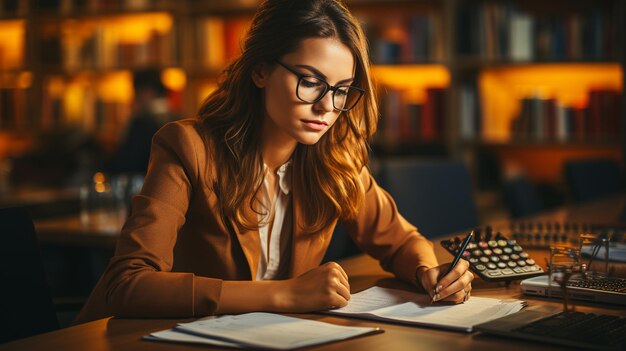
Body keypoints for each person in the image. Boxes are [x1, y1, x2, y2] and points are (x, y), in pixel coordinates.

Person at [74, 0, 473, 323]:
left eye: (341, 90)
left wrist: (428, 272)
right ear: (261, 70)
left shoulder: (335, 160)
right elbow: (127, 285)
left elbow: (402, 240)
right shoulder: (187, 146)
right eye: (310, 81)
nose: (326, 106)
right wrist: (284, 294)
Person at [106, 68, 172, 175]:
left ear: (146, 91)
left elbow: (125, 164)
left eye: (135, 92)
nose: (134, 97)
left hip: (143, 185)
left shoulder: (141, 123)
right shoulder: (180, 119)